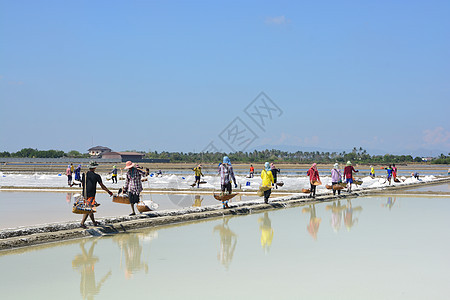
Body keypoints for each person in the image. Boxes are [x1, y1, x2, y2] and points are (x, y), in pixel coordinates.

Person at [80, 161, 113, 229]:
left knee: (90, 208)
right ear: (95, 167)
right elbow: (102, 186)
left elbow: (83, 184)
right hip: (91, 194)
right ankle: (82, 223)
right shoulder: (97, 176)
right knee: (88, 209)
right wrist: (109, 191)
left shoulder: (84, 174)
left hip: (84, 193)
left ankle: (94, 222)